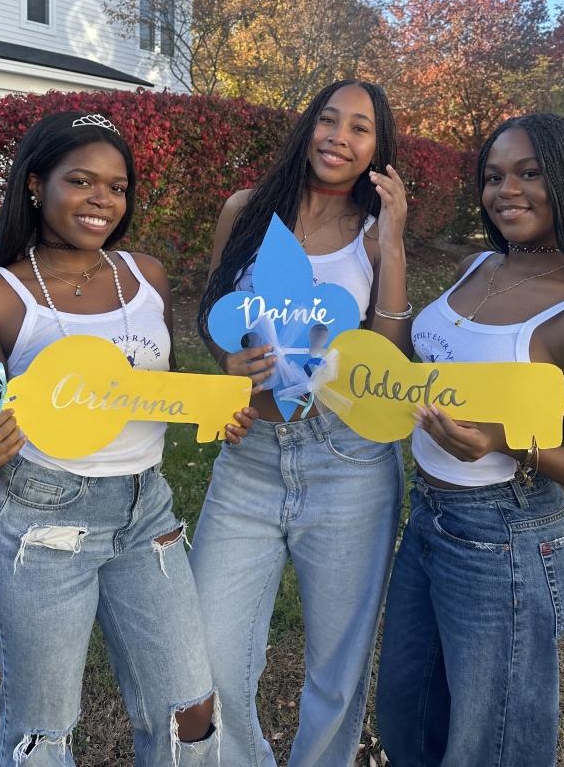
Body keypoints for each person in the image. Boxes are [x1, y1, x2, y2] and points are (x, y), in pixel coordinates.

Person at [0, 111, 255, 767]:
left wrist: (213, 404)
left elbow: (153, 388)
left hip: (148, 514)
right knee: (43, 730)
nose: (102, 200)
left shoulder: (146, 276)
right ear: (36, 185)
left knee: (190, 709)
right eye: (81, 181)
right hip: (42, 522)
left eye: (117, 187)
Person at [375, 112, 564, 767]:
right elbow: (402, 372)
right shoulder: (479, 266)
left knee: (490, 747)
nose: (506, 190)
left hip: (505, 541)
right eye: (494, 176)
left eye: (530, 173)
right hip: (427, 518)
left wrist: (512, 444)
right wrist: (392, 246)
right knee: (407, 721)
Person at [192, 80, 411, 767]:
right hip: (250, 456)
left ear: (379, 149)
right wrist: (230, 359)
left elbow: (387, 358)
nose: (338, 137)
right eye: (328, 119)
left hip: (346, 460)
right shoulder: (247, 211)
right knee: (208, 653)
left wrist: (397, 243)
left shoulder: (374, 238)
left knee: (335, 674)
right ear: (308, 127)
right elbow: (213, 309)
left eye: (360, 128)